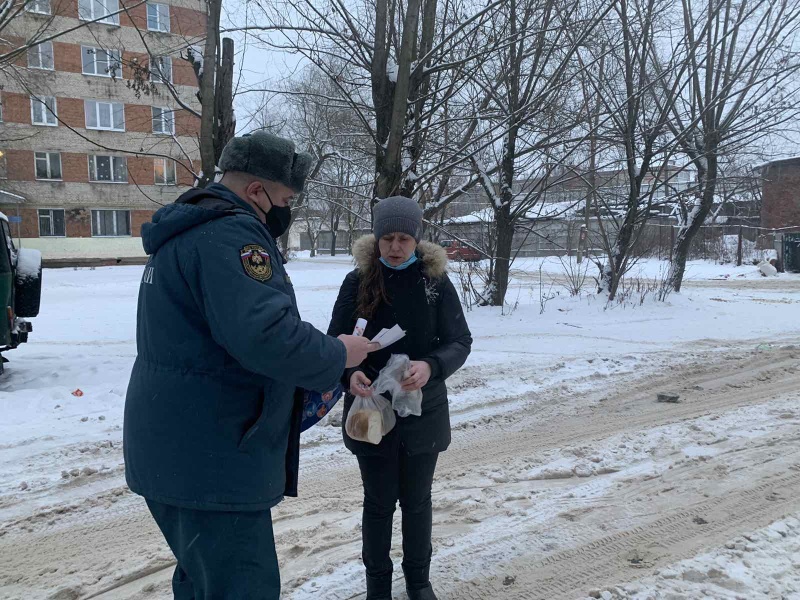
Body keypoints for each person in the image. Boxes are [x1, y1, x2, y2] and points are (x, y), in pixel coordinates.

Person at [124, 130, 375, 599]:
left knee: (204, 581)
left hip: (179, 448)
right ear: (256, 190)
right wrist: (340, 353)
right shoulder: (232, 234)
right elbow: (266, 336)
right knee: (241, 586)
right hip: (212, 456)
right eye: (284, 197)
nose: (286, 209)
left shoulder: (185, 232)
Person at [327, 196, 473, 600]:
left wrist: (431, 367)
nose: (394, 247)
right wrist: (350, 372)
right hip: (369, 411)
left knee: (416, 502)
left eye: (404, 238)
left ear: (417, 239)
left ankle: (418, 581)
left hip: (423, 411)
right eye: (387, 238)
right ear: (375, 240)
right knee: (377, 504)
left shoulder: (435, 282)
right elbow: (333, 342)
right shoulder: (358, 282)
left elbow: (460, 341)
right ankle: (378, 587)